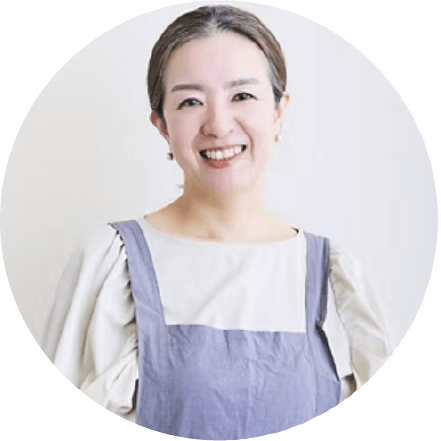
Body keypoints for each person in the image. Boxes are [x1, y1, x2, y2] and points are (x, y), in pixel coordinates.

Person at [42, 5, 391, 438]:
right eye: (190, 101)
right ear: (162, 125)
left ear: (279, 110)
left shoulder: (335, 279)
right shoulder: (111, 265)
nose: (219, 125)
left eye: (242, 96)